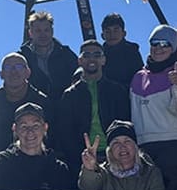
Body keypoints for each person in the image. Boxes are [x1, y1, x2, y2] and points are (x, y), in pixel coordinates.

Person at [131, 25, 177, 190]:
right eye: (154, 42)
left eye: (165, 44)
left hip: (172, 144)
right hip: (143, 145)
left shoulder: (176, 74)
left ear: (173, 49)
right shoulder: (138, 77)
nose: (159, 48)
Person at [54, 39, 131, 179]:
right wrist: (77, 157)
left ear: (103, 60)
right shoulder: (69, 95)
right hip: (82, 159)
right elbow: (65, 132)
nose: (92, 59)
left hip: (115, 158)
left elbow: (126, 125)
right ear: (80, 60)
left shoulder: (118, 91)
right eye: (87, 55)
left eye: (97, 54)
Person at [0, 53, 50, 186]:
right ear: (1, 74)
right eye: (8, 68)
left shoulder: (43, 101)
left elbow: (50, 139)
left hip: (36, 170)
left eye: (19, 67)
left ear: (28, 72)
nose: (14, 71)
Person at [0, 103, 73, 190]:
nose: (30, 132)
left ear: (45, 128)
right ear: (15, 129)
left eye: (36, 126)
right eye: (24, 127)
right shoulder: (0, 163)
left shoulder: (58, 169)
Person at [78, 120, 165, 190]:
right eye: (116, 143)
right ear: (110, 151)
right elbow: (87, 187)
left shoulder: (151, 173)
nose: (122, 147)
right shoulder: (103, 173)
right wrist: (89, 169)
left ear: (135, 147)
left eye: (127, 141)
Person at [19, 10, 79, 103]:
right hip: (36, 110)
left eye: (46, 30)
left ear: (52, 31)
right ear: (30, 33)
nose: (43, 34)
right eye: (38, 31)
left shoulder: (66, 54)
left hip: (67, 106)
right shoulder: (22, 57)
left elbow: (80, 78)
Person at [100, 13, 144, 88]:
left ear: (124, 33)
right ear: (102, 35)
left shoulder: (132, 50)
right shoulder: (98, 54)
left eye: (116, 30)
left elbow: (140, 76)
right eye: (108, 31)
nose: (112, 34)